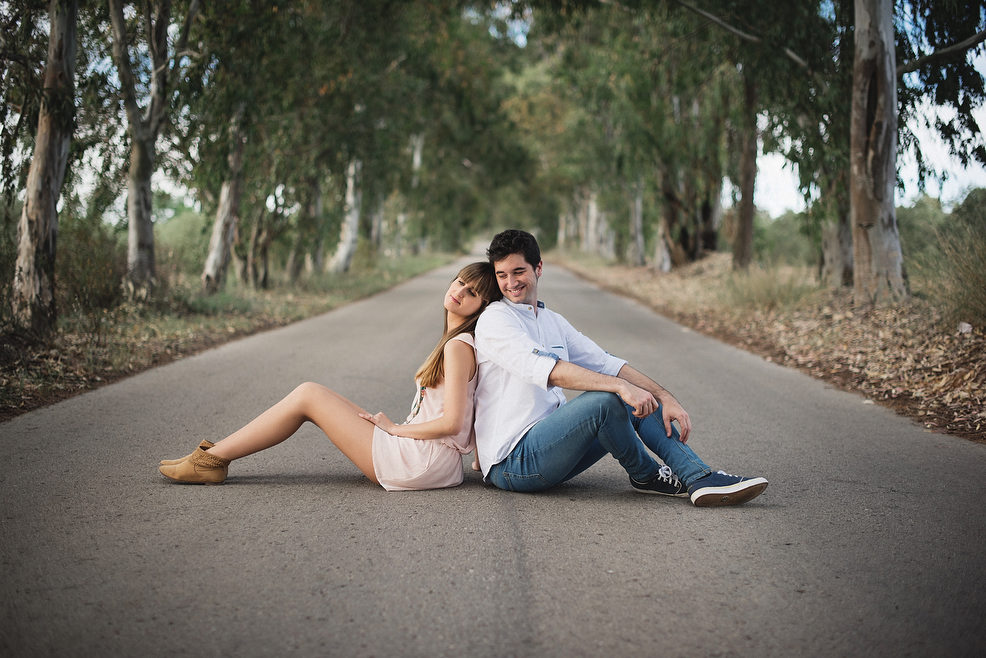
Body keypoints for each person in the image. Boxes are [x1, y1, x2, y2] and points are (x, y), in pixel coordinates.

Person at [473, 229, 767, 507]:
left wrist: (664, 397)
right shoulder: (496, 319)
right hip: (513, 462)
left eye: (518, 271)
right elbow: (550, 371)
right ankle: (648, 473)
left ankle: (698, 477)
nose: (510, 282)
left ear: (538, 268)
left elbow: (606, 362)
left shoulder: (553, 321)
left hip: (551, 451)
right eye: (502, 275)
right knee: (608, 398)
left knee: (627, 395)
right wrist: (619, 387)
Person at [159, 262, 501, 490]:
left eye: (471, 292)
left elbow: (455, 422)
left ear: (482, 307)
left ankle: (211, 461)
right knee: (315, 394)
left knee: (308, 395)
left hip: (419, 460)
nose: (459, 291)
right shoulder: (456, 342)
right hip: (427, 457)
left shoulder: (458, 347)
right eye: (459, 281)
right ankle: (212, 455)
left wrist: (397, 429)